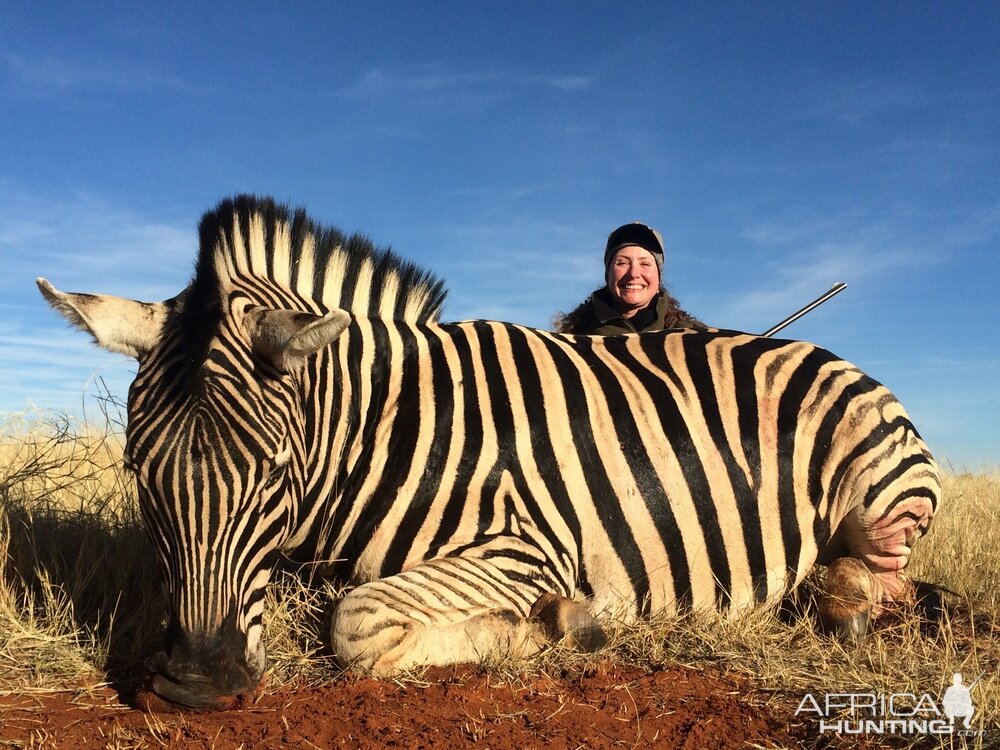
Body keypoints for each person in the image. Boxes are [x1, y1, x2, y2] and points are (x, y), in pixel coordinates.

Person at [554, 222, 705, 335]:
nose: (633, 273)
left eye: (645, 263)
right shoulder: (573, 338)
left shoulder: (692, 337)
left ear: (659, 277)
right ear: (608, 274)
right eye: (622, 263)